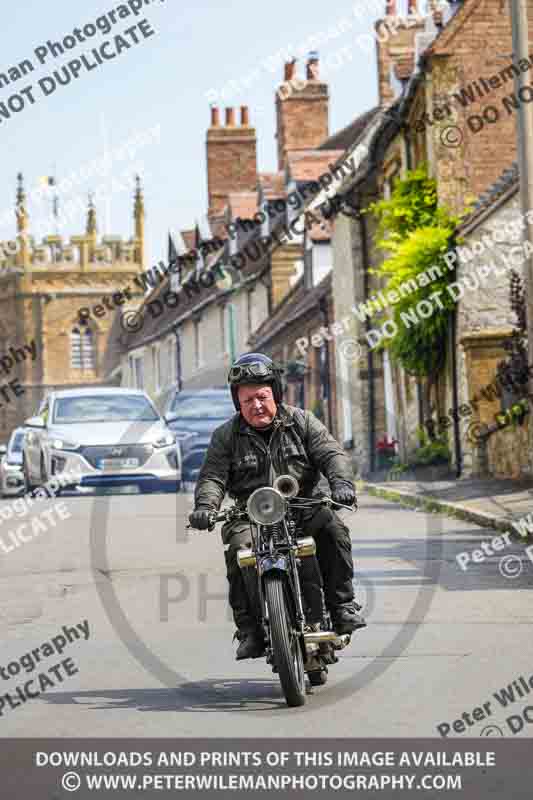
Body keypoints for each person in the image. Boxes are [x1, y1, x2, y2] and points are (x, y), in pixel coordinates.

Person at [188, 353, 366, 660]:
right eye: (247, 400)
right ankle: (250, 631)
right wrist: (206, 506)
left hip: (303, 505)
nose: (256, 405)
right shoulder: (225, 437)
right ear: (237, 403)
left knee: (333, 528)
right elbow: (213, 478)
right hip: (250, 514)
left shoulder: (302, 422)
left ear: (275, 393)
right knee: (239, 549)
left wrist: (342, 485)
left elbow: (332, 454)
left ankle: (342, 606)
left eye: (261, 397)